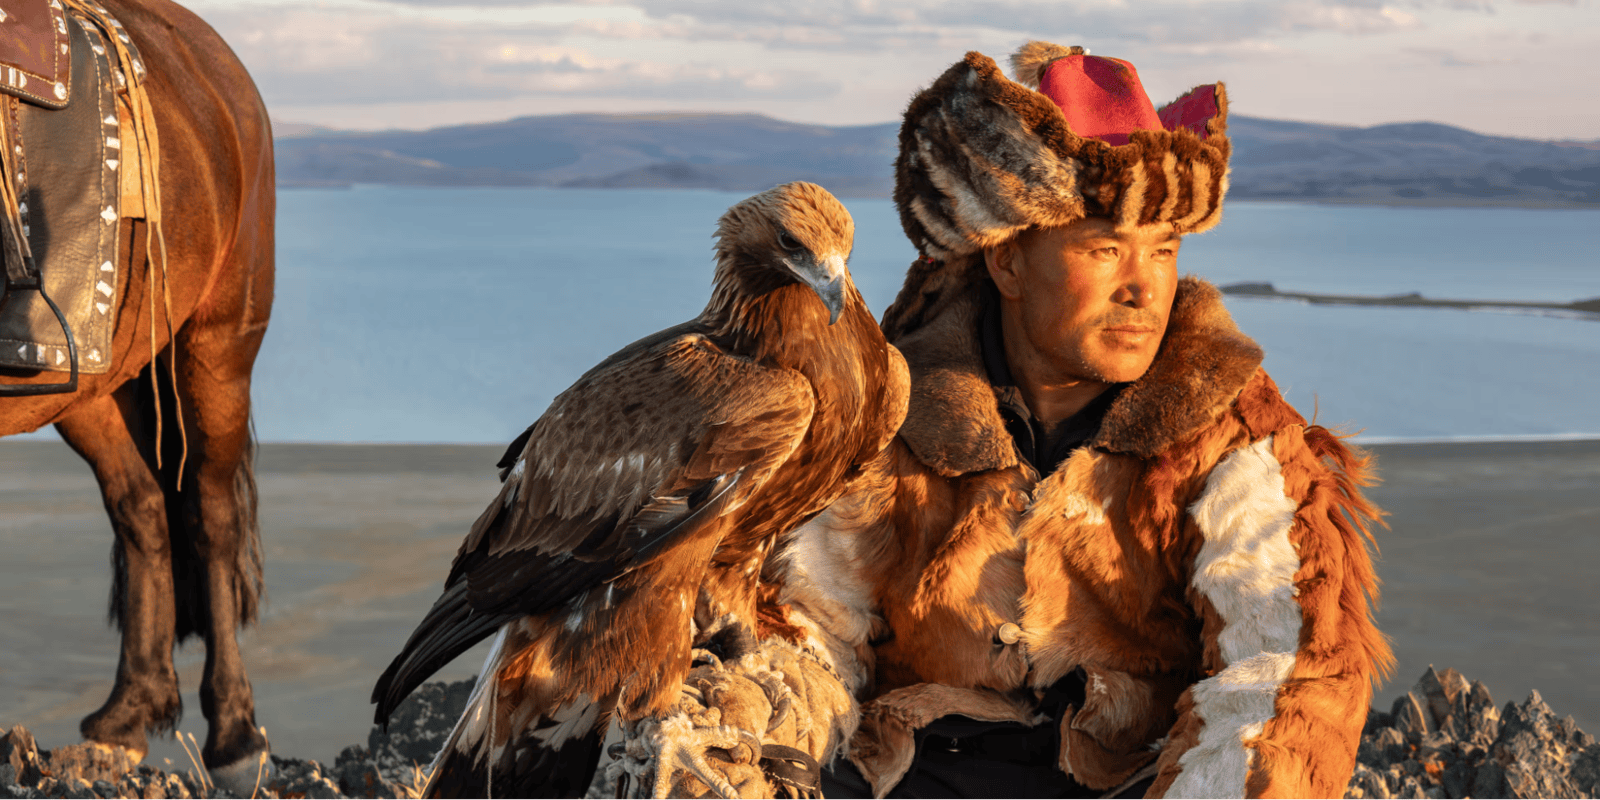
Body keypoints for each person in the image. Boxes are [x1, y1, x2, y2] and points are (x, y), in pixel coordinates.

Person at [627, 41, 1392, 800]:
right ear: (1009, 264)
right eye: (1103, 248)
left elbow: (1288, 684)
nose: (1143, 287)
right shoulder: (889, 409)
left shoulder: (1234, 437)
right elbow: (804, 625)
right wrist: (767, 743)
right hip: (903, 771)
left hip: (1130, 780)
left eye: (1163, 249)